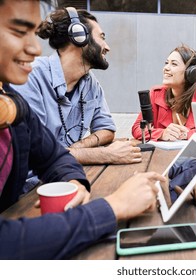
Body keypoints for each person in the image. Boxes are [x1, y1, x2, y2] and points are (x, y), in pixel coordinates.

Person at [0, 0, 165, 259]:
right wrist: (112, 207)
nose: (34, 48)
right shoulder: (28, 80)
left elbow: (55, 156)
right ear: (78, 37)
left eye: (33, 34)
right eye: (19, 32)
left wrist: (73, 181)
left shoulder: (10, 103)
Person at [9, 7, 142, 166]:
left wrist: (77, 147)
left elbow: (106, 129)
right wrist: (104, 154)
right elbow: (36, 153)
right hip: (31, 184)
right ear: (79, 37)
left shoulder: (91, 84)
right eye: (101, 37)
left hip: (64, 172)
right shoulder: (31, 77)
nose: (107, 47)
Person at [131, 44, 196, 142]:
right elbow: (137, 128)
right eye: (166, 63)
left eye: (174, 64)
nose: (166, 68)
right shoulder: (156, 94)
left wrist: (188, 134)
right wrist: (161, 133)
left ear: (191, 72)